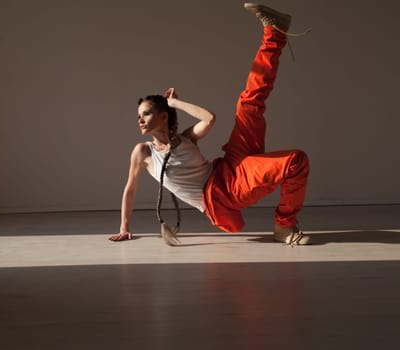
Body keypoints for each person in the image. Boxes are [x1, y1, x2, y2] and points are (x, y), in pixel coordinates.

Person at [109, 3, 311, 246]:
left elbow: (209, 118)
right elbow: (130, 189)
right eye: (139, 115)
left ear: (164, 116)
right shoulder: (143, 152)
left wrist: (175, 102)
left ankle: (274, 33)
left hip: (228, 166)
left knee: (248, 103)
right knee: (295, 161)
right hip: (224, 194)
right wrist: (124, 228)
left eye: (147, 113)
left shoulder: (185, 139)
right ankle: (284, 225)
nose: (140, 119)